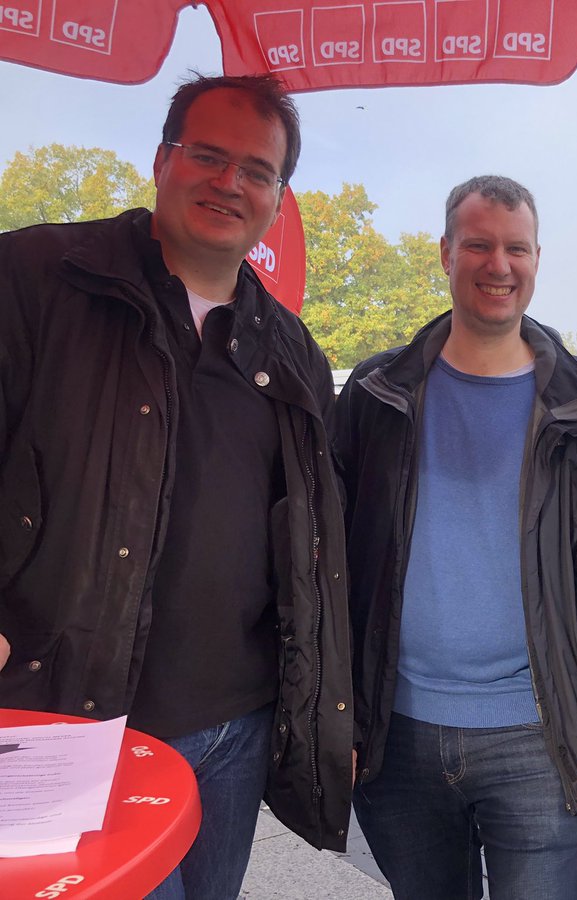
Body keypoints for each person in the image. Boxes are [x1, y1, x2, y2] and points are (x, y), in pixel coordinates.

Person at [0, 74, 353, 898]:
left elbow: (313, 537)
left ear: (277, 198)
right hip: (72, 717)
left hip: (235, 725)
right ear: (162, 159)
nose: (230, 183)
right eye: (208, 155)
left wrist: (328, 707)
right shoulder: (39, 277)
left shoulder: (289, 345)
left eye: (257, 171)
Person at [333, 175, 577, 900]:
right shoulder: (375, 393)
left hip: (538, 741)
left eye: (516, 248)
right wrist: (332, 717)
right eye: (477, 245)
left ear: (537, 258)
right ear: (444, 252)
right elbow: (328, 562)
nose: (498, 265)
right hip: (398, 732)